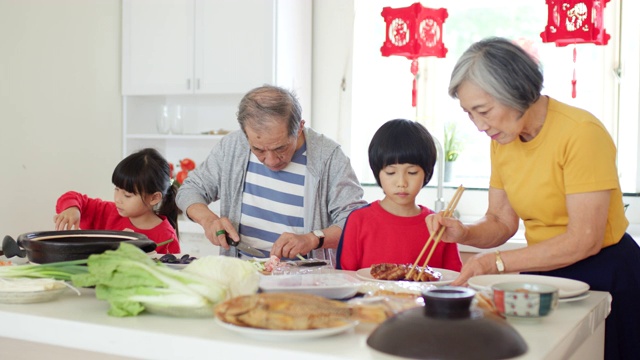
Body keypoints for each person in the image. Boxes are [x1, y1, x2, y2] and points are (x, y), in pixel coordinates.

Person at [426, 37, 640, 359]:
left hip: (605, 272)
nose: (480, 126)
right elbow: (501, 221)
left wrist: (494, 262)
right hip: (545, 273)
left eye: (484, 111)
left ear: (515, 90)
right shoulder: (503, 138)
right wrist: (465, 232)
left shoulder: (581, 132)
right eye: (470, 114)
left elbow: (584, 239)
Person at [176, 85, 366, 262]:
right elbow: (190, 190)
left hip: (305, 281)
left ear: (299, 127)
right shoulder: (232, 147)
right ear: (245, 134)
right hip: (243, 273)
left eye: (280, 148)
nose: (271, 160)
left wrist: (313, 239)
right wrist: (208, 220)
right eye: (258, 149)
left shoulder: (328, 157)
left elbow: (356, 221)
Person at [336, 119, 462, 272]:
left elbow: (453, 283)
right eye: (391, 172)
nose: (401, 182)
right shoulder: (359, 220)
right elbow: (344, 279)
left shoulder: (438, 226)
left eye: (412, 172)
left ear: (426, 173)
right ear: (378, 173)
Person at [54, 148, 180, 254]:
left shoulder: (167, 238)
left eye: (127, 195)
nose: (118, 199)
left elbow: (170, 272)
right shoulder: (107, 212)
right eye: (117, 189)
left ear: (154, 198)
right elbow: (73, 197)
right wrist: (72, 209)